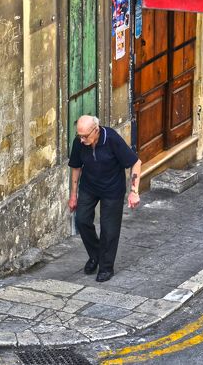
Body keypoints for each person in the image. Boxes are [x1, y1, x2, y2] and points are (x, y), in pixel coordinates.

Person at [68, 115, 142, 282]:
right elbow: (76, 167)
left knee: (109, 229)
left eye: (85, 136)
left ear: (96, 130)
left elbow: (136, 162)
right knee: (81, 220)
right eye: (79, 135)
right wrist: (73, 195)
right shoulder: (79, 142)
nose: (81, 140)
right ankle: (95, 255)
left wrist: (134, 191)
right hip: (89, 186)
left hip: (112, 189)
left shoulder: (111, 139)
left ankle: (106, 267)